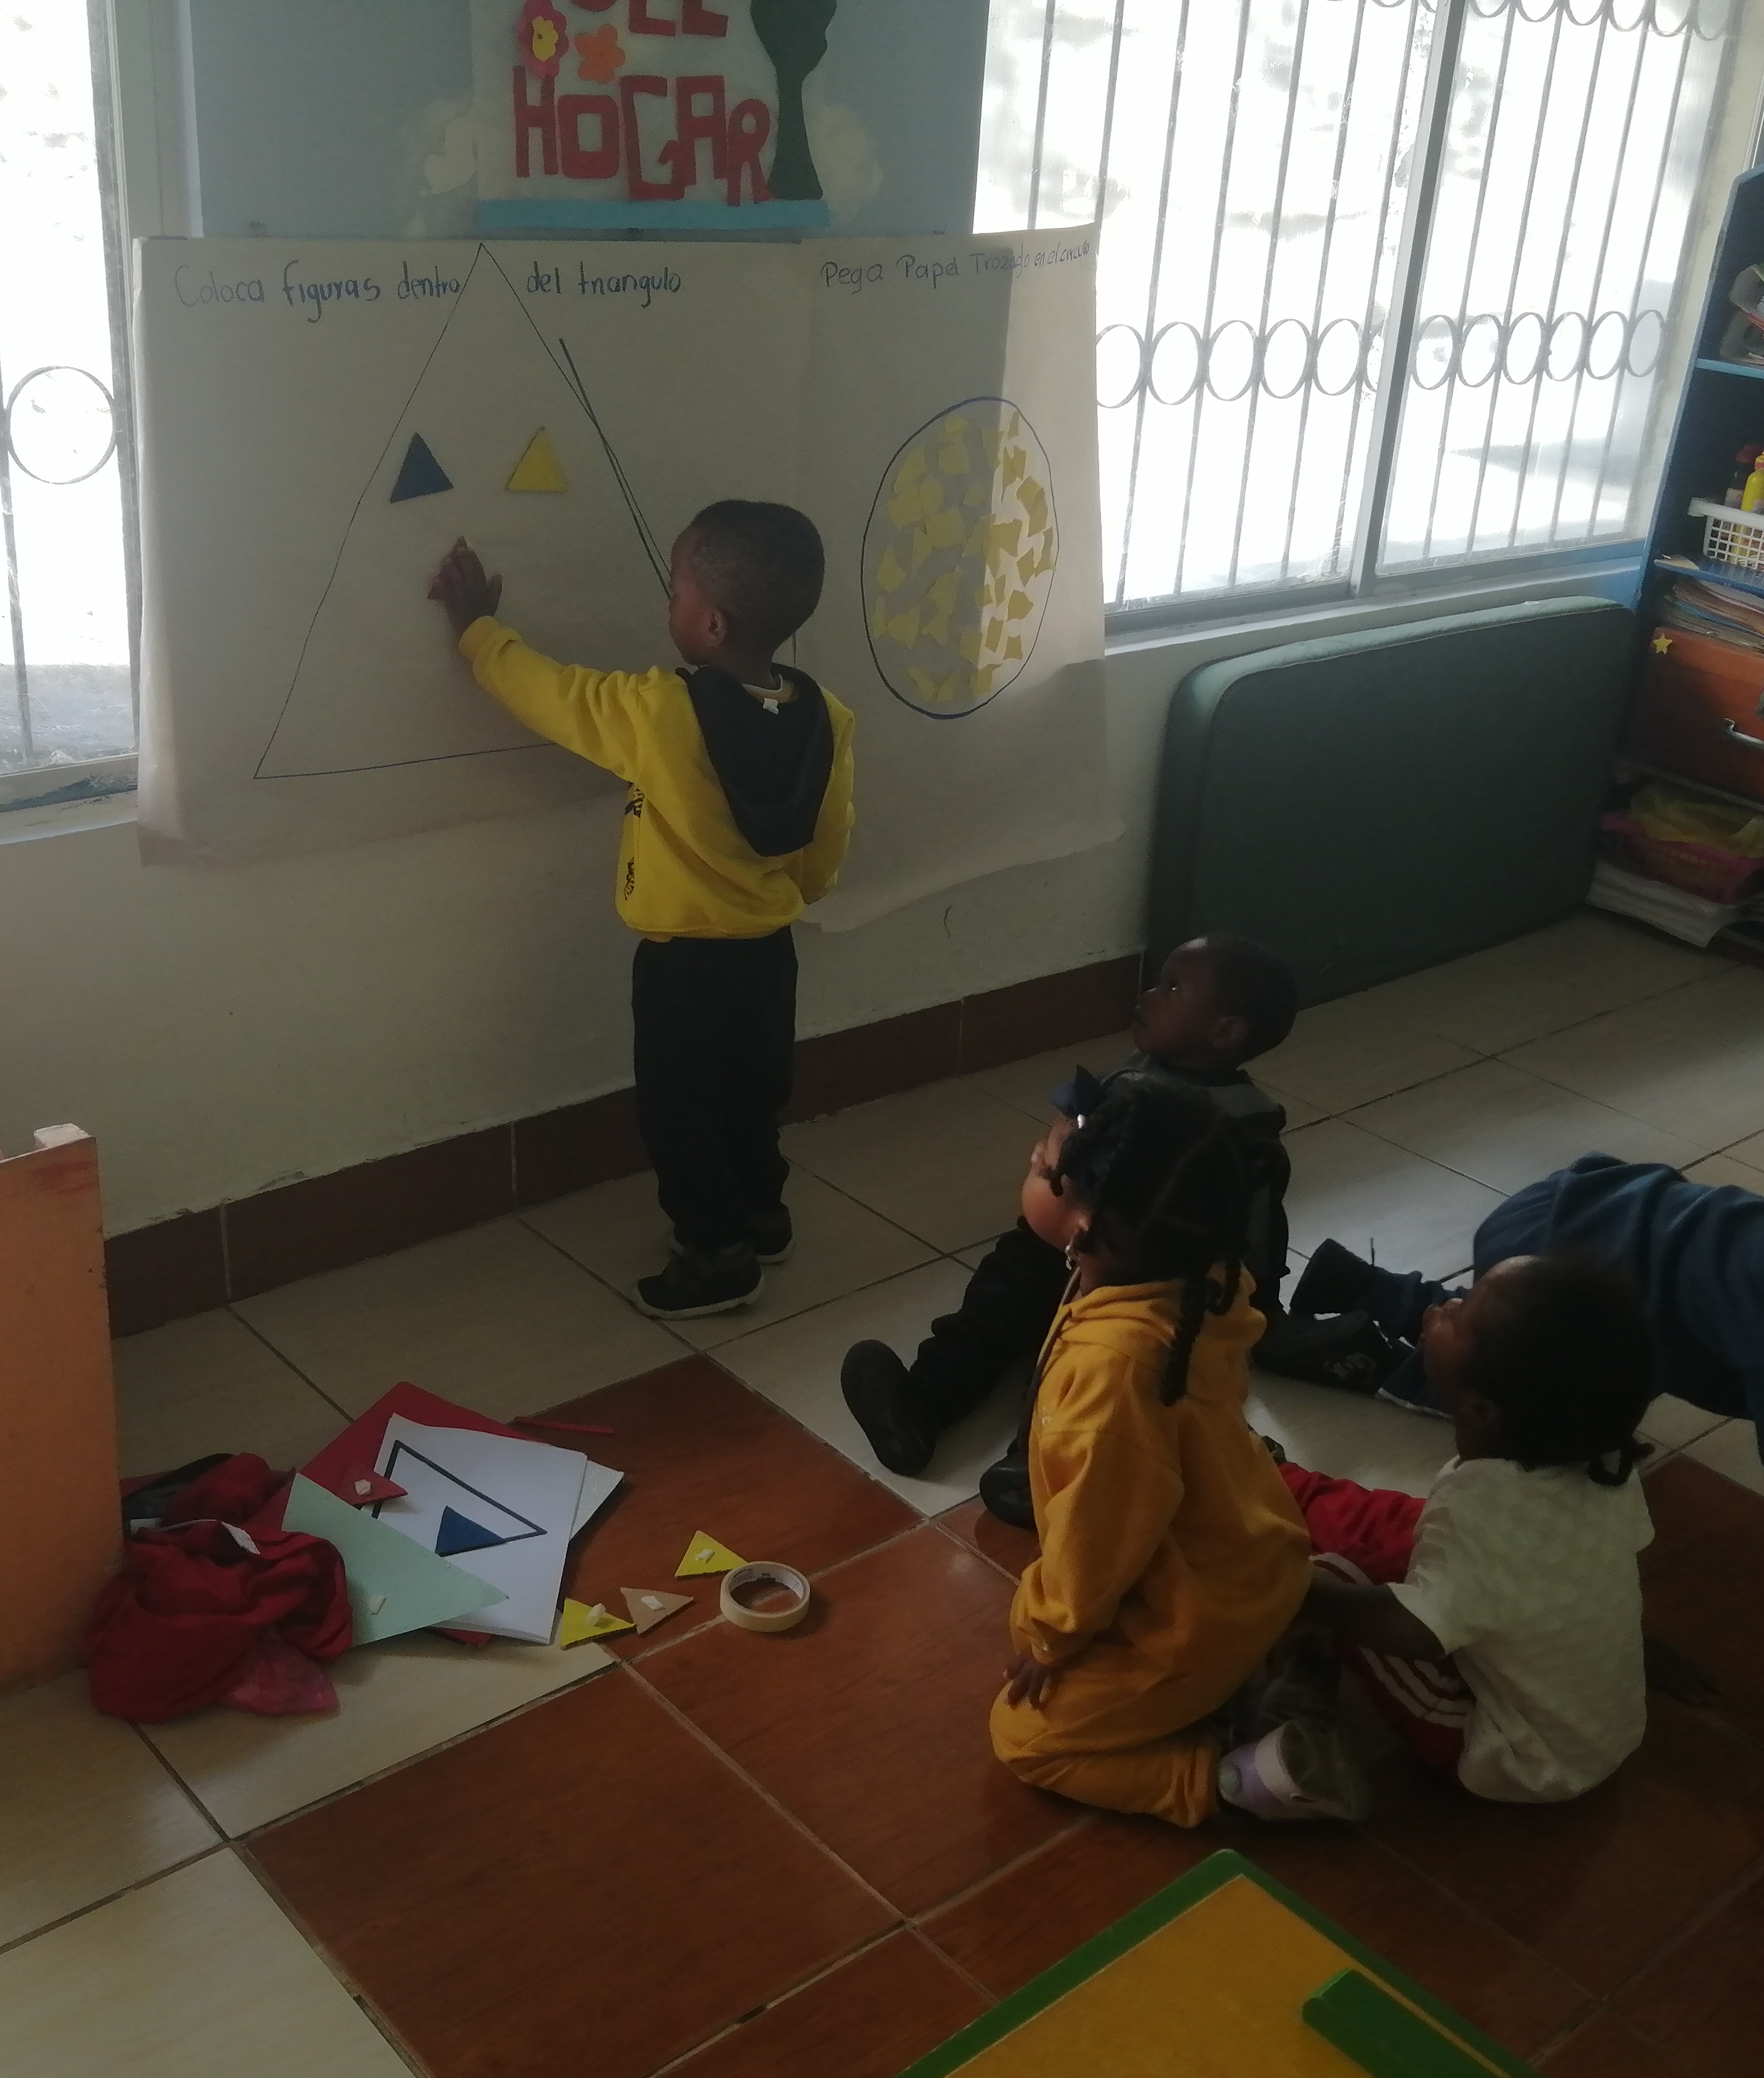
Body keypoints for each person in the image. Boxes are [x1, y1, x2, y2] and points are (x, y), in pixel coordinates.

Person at [431, 505, 853, 1320]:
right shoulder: (827, 717)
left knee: (681, 1113)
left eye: (674, 591)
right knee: (753, 1093)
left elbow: (550, 695)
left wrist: (478, 629)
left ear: (711, 623)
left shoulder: (662, 712)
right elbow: (826, 842)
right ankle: (762, 1216)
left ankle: (717, 1256)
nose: (668, 606)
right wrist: (791, 893)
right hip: (770, 953)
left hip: (684, 964)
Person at [1291, 1155, 1764, 1603]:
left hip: (1583, 1202)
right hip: (1573, 1253)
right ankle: (1377, 1355)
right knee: (1515, 1395)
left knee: (1506, 1327)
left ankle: (1363, 1282)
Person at [841, 934, 1307, 1521]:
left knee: (1092, 1363)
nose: (1149, 994)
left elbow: (1258, 1230)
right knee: (998, 1298)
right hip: (1068, 1241)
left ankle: (1038, 1462)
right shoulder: (1134, 1075)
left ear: (1225, 1031)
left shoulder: (1245, 1125)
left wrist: (1257, 1306)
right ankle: (923, 1403)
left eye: (1172, 988)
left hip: (1151, 1278)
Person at [1221, 1250, 1701, 1819]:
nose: (1446, 1303)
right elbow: (1594, 1574)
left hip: (1517, 1760)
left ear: (1480, 1409)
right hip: (1600, 1729)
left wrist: (1289, 1593)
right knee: (1405, 1540)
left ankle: (1305, 1704)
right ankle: (1276, 1490)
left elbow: (1413, 1633)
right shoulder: (1606, 1465)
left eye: (1464, 1312)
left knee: (1328, 1572)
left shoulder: (1483, 1516)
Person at [987, 1072, 1318, 1828]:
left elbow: (1097, 1541)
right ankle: (1276, 1664)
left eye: (1040, 1163)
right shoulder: (1202, 1281)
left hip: (1192, 1620)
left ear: (1083, 1225)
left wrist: (1049, 1638)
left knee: (1025, 1738)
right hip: (1254, 1562)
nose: (1031, 1163)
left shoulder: (1113, 1375)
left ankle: (1234, 1783)